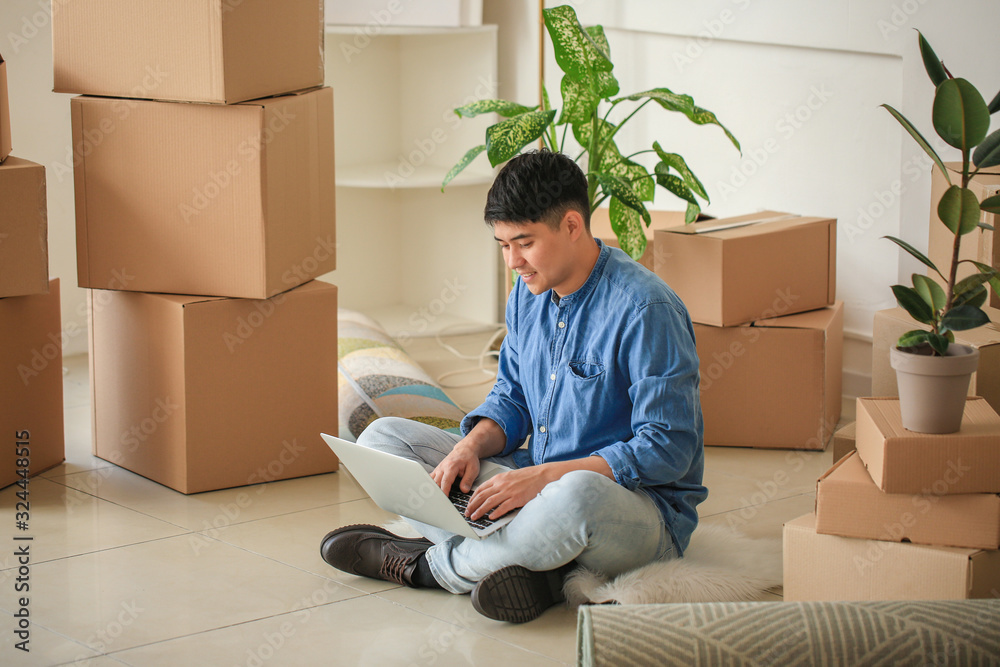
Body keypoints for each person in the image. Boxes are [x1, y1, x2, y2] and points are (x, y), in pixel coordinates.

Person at [321, 149, 706, 623]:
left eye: (523, 243)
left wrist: (545, 478)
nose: (513, 262)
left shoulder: (646, 309)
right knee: (384, 440)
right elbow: (513, 398)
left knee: (575, 494)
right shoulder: (527, 294)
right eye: (503, 245)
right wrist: (470, 446)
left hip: (631, 513)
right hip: (535, 487)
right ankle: (536, 566)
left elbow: (668, 449)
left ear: (571, 225)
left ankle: (429, 566)